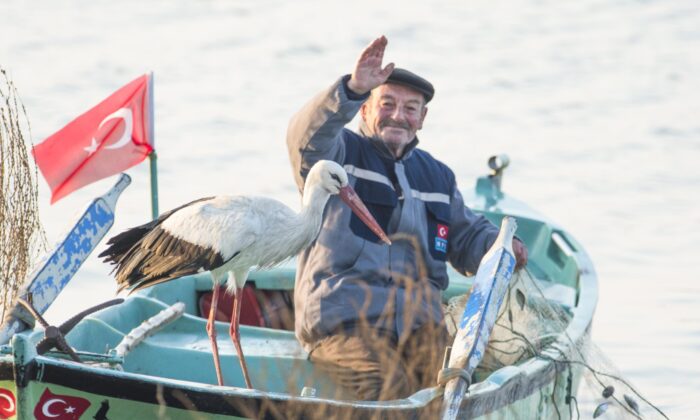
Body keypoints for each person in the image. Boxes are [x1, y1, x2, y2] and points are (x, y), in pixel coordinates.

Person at [286, 35, 528, 402]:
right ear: (365, 110)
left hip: (420, 326)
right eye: (387, 103)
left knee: (457, 387)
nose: (399, 115)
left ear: (422, 118)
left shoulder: (437, 176)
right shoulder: (339, 155)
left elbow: (465, 236)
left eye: (411, 108)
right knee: (388, 387)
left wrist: (501, 246)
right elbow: (305, 139)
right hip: (345, 324)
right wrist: (350, 89)